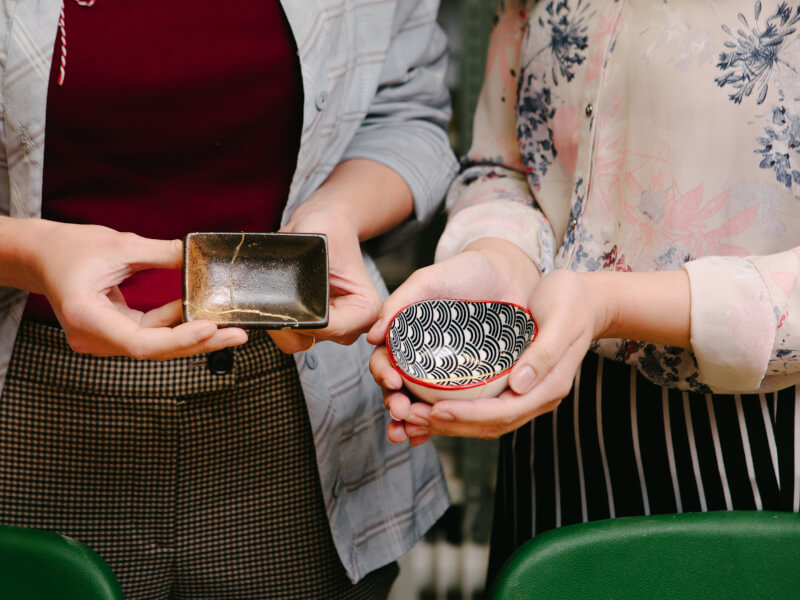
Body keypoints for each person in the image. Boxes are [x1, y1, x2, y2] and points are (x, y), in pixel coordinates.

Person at [0, 1, 457, 598]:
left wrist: (333, 218)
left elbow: (406, 111)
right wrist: (28, 254)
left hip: (295, 419)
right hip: (28, 420)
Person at [368, 0, 800, 585]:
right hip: (554, 411)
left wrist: (607, 302)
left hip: (757, 432)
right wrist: (499, 259)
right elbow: (507, 164)